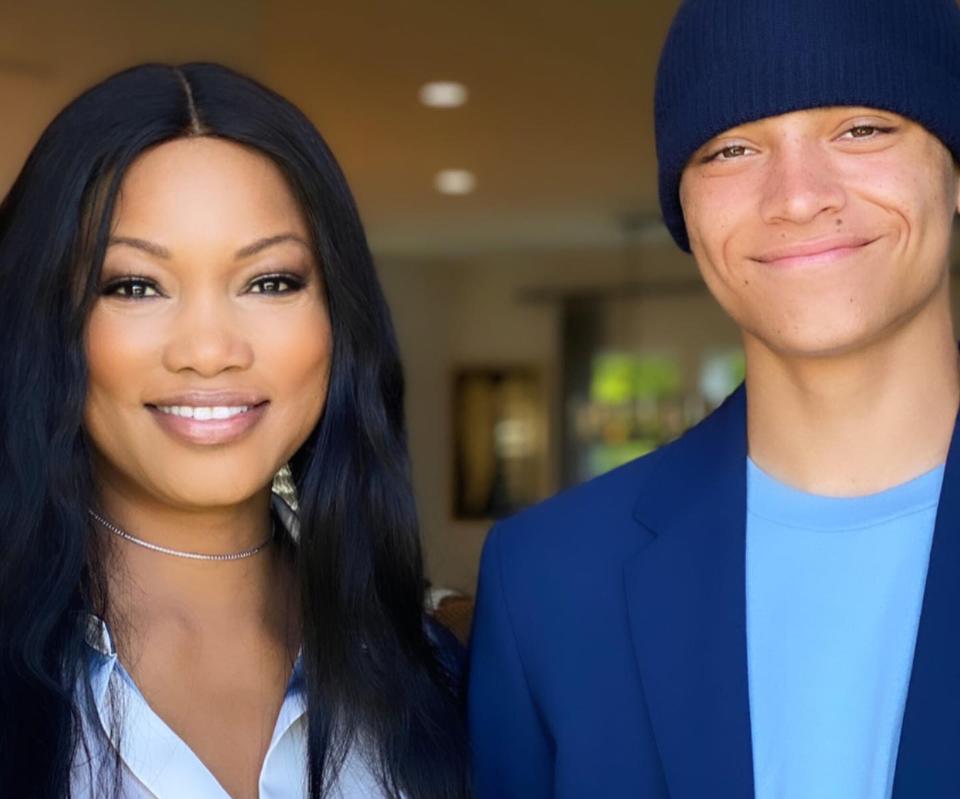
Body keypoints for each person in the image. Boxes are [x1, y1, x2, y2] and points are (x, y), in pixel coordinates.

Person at [468, 0, 960, 796]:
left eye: (862, 129)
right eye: (733, 148)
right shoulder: (550, 582)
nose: (798, 197)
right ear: (686, 212)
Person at [0, 63, 468, 799]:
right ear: (44, 321)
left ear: (338, 316)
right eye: (133, 285)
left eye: (270, 281)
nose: (211, 349)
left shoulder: (439, 675)